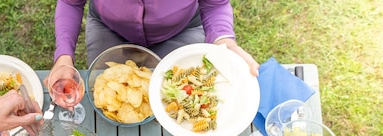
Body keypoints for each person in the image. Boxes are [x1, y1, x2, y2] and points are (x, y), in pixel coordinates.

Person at [51, 0, 259, 78]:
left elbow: (214, 4)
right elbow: (71, 3)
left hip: (181, 30)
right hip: (109, 29)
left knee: (180, 105)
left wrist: (224, 41)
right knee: (104, 96)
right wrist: (64, 57)